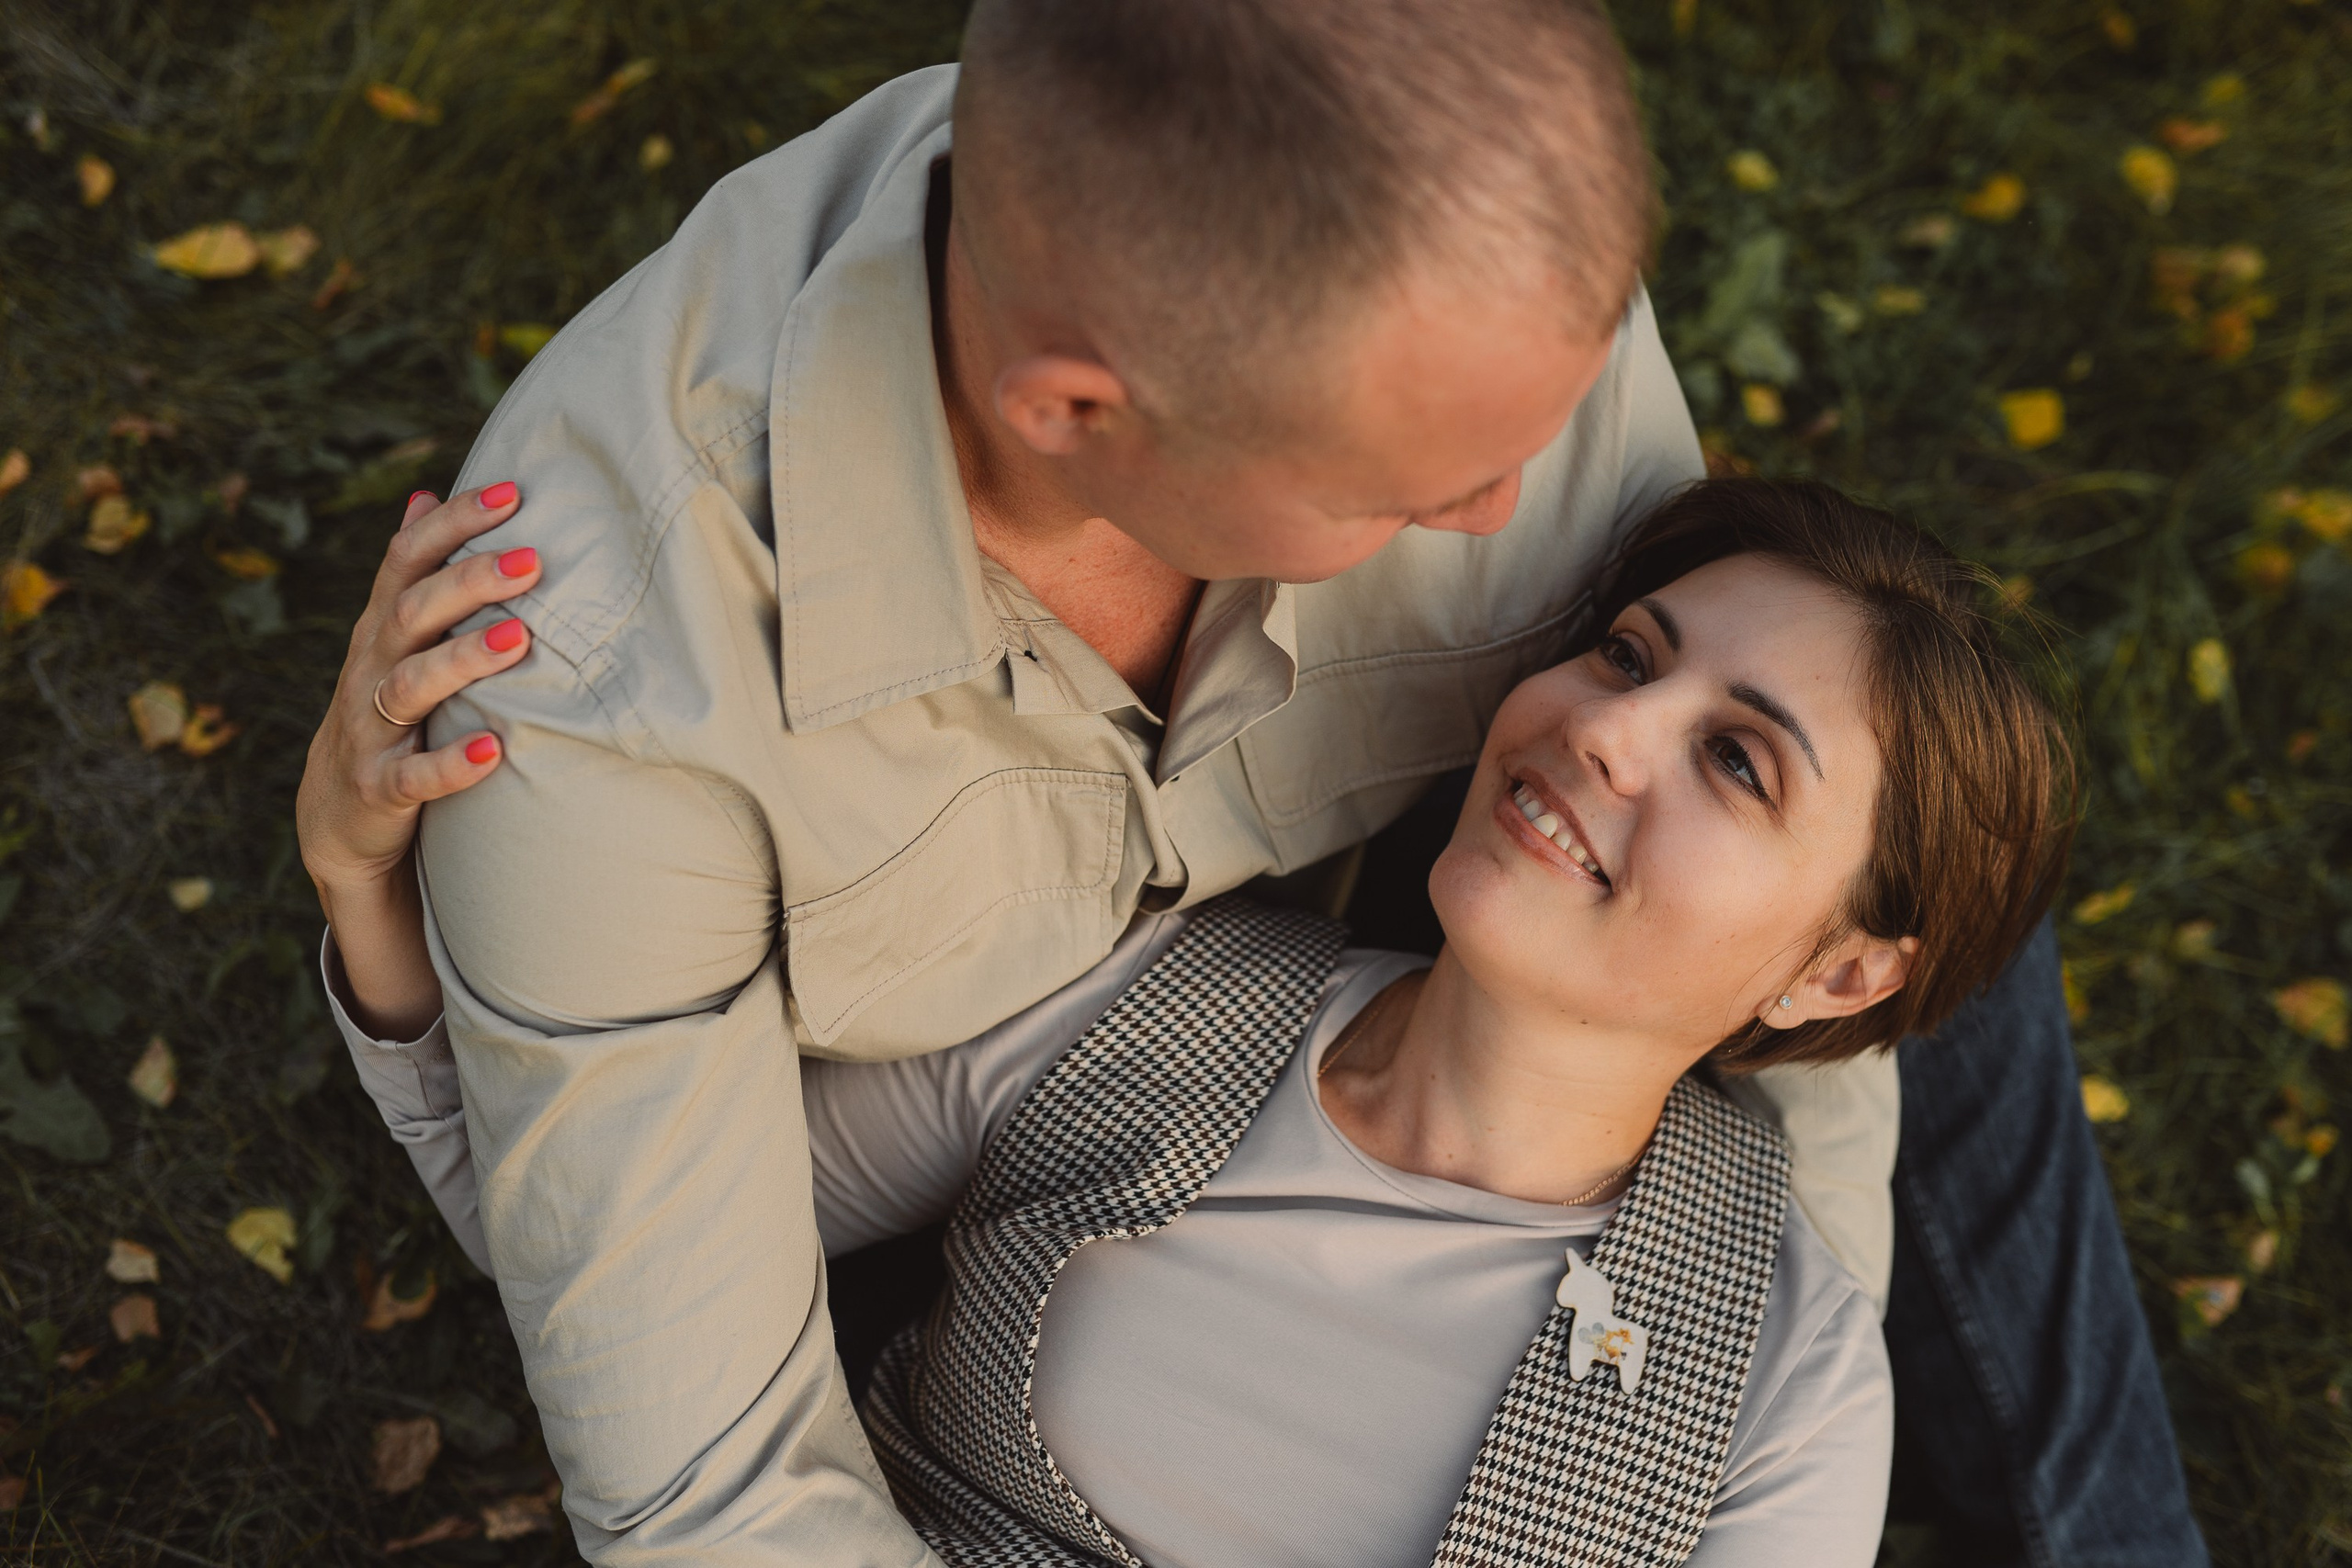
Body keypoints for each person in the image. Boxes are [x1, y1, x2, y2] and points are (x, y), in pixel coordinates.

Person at [295, 4, 2207, 1564]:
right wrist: (398, 945)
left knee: (1912, 835)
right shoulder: (598, 680)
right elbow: (700, 1454)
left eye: (1528, 441)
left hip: (1533, 980)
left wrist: (1729, 1346)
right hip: (1092, 1143)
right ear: (1075, 409)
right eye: (1416, 486)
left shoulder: (1467, 287)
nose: (1520, 530)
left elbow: (1783, 792)